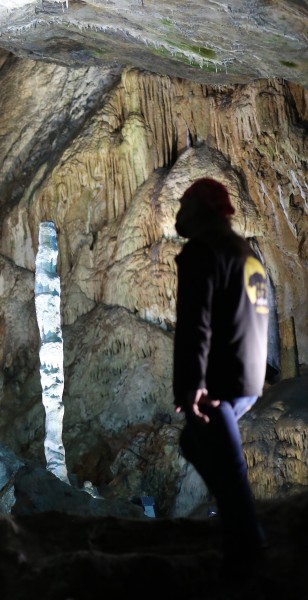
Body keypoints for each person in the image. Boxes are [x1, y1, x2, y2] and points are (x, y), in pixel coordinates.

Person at [172, 178, 269, 576]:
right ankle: (234, 523)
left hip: (219, 382)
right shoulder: (247, 253)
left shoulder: (203, 252)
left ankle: (249, 553)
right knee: (193, 442)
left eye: (184, 207)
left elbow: (196, 325)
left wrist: (191, 386)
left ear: (199, 212)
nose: (179, 215)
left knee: (230, 470)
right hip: (249, 379)